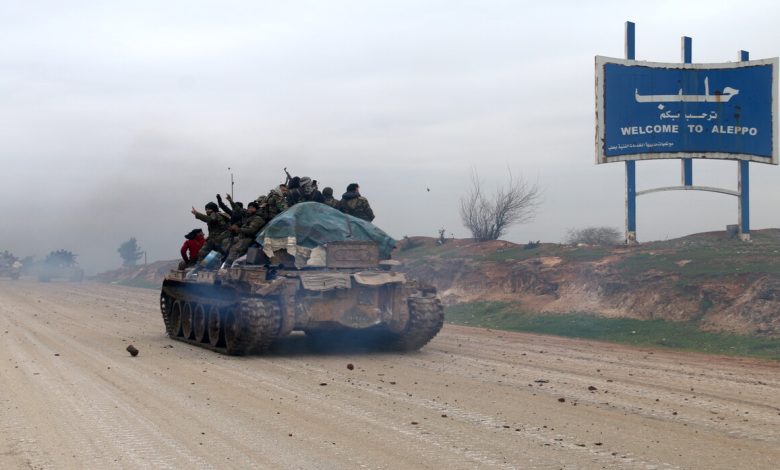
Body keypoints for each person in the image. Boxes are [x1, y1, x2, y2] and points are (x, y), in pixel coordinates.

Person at [223, 201, 267, 266]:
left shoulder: (257, 218)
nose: (250, 209)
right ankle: (226, 260)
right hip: (242, 236)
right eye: (249, 208)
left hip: (250, 238)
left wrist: (238, 229)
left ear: (256, 209)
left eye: (252, 208)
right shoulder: (249, 217)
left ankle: (228, 265)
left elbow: (251, 230)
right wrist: (234, 227)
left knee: (234, 249)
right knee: (226, 242)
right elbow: (242, 222)